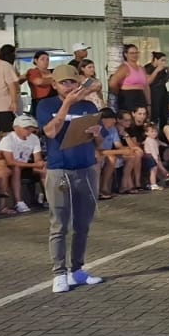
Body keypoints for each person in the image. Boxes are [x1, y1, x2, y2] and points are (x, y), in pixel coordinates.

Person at [35, 67, 105, 293]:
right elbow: (50, 132)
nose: (69, 86)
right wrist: (66, 104)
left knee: (82, 224)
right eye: (63, 83)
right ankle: (59, 273)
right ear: (54, 85)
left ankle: (77, 270)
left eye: (72, 82)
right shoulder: (45, 105)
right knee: (59, 224)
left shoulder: (89, 106)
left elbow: (100, 142)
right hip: (59, 170)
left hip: (86, 168)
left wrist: (97, 133)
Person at [0, 116, 47, 211]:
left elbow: (37, 158)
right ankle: (18, 202)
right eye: (26, 128)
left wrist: (40, 163)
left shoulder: (34, 138)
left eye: (30, 128)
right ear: (16, 128)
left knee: (44, 169)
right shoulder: (7, 139)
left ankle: (48, 198)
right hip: (10, 168)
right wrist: (34, 165)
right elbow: (10, 162)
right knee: (16, 168)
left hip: (26, 166)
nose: (29, 130)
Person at [110, 44, 150, 114]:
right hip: (128, 97)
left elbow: (146, 86)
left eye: (136, 53)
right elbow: (112, 83)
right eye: (131, 53)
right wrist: (119, 93)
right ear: (125, 54)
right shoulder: (124, 67)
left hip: (141, 97)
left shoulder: (142, 68)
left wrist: (149, 103)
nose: (134, 55)